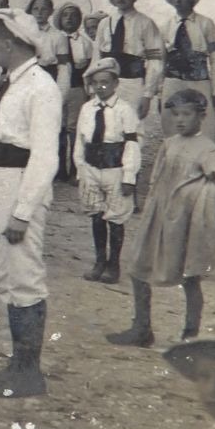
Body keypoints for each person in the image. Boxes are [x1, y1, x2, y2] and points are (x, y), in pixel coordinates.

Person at [0, 10, 63, 398]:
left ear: (10, 43)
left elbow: (45, 156)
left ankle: (30, 373)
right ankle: (16, 364)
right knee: (5, 277)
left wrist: (22, 212)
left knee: (24, 275)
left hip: (19, 184)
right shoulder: (6, 82)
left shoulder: (42, 87)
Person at [108, 89, 215, 347]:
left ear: (201, 116)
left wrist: (193, 194)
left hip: (187, 223)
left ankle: (191, 336)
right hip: (160, 217)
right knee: (138, 268)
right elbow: (156, 179)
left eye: (187, 114)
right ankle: (142, 329)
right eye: (176, 114)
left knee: (189, 277)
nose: (180, 120)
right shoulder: (169, 144)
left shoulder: (209, 151)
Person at [96, 0, 166, 192]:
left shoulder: (146, 24)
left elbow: (155, 62)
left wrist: (147, 94)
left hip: (133, 83)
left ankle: (130, 183)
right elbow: (96, 59)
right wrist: (93, 89)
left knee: (132, 131)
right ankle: (109, 183)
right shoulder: (105, 23)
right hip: (108, 83)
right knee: (107, 129)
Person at [75, 58, 140, 286]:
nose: (100, 87)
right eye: (96, 83)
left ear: (115, 84)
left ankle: (114, 264)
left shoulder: (124, 110)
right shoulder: (87, 109)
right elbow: (80, 141)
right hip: (92, 167)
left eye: (105, 82)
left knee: (115, 217)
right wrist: (80, 168)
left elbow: (132, 144)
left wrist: (129, 176)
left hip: (115, 169)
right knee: (95, 214)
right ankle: (99, 260)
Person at [161, 0, 215, 140]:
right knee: (172, 125)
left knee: (202, 125)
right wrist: (159, 91)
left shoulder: (205, 24)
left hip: (199, 82)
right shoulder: (166, 26)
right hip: (172, 82)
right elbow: (160, 61)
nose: (178, 0)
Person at [55, 1, 93, 181]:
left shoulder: (85, 42)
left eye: (74, 15)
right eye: (65, 15)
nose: (69, 19)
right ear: (59, 18)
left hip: (77, 88)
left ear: (80, 20)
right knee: (58, 128)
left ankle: (75, 168)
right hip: (57, 89)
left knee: (74, 128)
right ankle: (59, 167)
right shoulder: (54, 38)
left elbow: (90, 66)